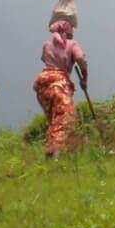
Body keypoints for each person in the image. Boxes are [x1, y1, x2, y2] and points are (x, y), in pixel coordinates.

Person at [33, 17, 87, 158]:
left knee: (54, 121)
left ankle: (51, 154)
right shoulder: (72, 44)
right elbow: (81, 59)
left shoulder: (47, 45)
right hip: (58, 85)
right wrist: (85, 77)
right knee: (66, 118)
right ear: (69, 31)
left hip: (43, 87)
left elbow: (48, 61)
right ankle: (55, 159)